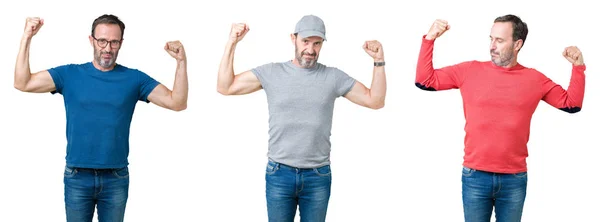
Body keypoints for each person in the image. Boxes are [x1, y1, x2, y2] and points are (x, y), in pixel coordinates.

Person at [13, 14, 189, 222]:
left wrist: (181, 61)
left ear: (121, 43)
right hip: (77, 177)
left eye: (114, 42)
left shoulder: (135, 79)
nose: (107, 48)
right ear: (91, 40)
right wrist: (26, 37)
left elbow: (177, 102)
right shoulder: (69, 74)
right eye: (102, 41)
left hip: (116, 177)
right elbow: (22, 83)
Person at [415, 14, 585, 222]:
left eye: (500, 40)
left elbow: (571, 104)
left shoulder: (535, 79)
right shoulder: (470, 70)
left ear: (517, 44)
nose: (492, 46)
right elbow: (424, 80)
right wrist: (429, 39)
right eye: (491, 39)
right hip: (475, 177)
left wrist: (578, 67)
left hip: (514, 179)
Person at [217, 14, 387, 222]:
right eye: (305, 41)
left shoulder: (333, 77)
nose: (310, 49)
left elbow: (375, 100)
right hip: (279, 173)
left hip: (318, 176)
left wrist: (378, 61)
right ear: (293, 39)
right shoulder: (272, 72)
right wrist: (232, 43)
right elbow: (225, 87)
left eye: (317, 43)